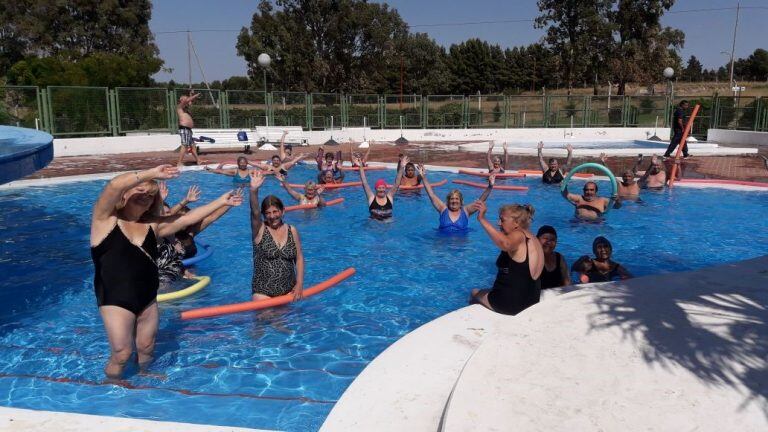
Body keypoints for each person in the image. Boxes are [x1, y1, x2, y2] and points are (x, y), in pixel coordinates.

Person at [90, 165, 242, 379]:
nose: (146, 196)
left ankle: (144, 376)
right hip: (115, 298)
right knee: (122, 353)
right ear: (124, 195)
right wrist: (150, 174)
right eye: (140, 190)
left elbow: (187, 219)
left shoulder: (153, 226)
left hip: (147, 297)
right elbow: (114, 185)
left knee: (146, 347)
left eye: (151, 194)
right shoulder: (104, 220)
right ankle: (112, 386)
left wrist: (221, 201)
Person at [469, 202, 544, 315]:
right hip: (531, 301)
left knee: (474, 293)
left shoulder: (518, 234)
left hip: (511, 304)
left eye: (502, 220)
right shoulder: (533, 238)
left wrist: (482, 219)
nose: (499, 223)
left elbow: (505, 244)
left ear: (516, 223)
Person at [248, 171, 304, 300]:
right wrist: (253, 190)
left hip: (289, 292)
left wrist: (300, 283)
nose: (272, 216)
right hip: (263, 293)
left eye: (275, 211)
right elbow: (254, 212)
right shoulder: (260, 230)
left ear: (283, 211)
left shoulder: (292, 230)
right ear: (263, 214)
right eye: (268, 213)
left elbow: (299, 257)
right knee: (272, 319)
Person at [418, 164, 494, 233]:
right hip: (442, 243)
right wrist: (423, 177)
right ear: (448, 201)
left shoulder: (466, 211)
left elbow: (481, 200)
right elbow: (431, 195)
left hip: (460, 246)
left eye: (457, 199)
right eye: (452, 199)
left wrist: (490, 187)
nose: (454, 201)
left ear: (461, 201)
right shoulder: (443, 209)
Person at [356, 154, 405, 220]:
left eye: (383, 188)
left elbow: (397, 184)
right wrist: (360, 167)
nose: (381, 190)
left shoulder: (389, 197)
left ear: (385, 189)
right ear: (375, 189)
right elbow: (365, 183)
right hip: (374, 226)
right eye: (379, 188)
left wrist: (401, 167)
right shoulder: (371, 198)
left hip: (388, 226)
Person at [176, 92, 204, 166]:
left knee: (193, 146)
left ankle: (198, 160)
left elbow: (189, 102)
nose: (187, 99)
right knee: (184, 145)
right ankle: (179, 162)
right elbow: (187, 101)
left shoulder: (186, 110)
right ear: (181, 100)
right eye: (185, 98)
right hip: (184, 129)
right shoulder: (179, 107)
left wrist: (192, 96)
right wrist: (196, 95)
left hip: (188, 130)